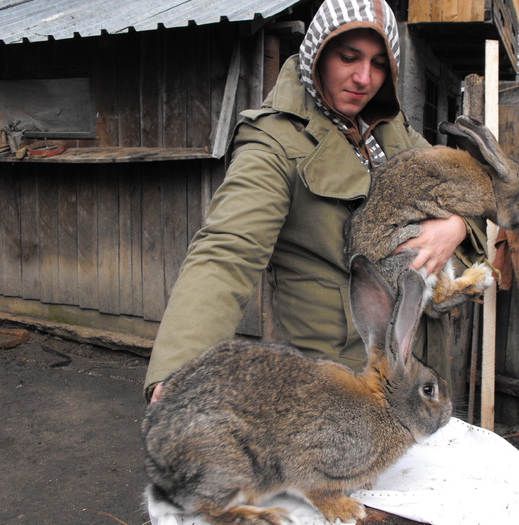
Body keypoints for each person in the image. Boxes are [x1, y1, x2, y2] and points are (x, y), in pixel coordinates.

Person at [144, 0, 486, 402]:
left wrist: (455, 227)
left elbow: (470, 189)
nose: (363, 78)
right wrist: (179, 371)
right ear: (318, 52)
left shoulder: (394, 131)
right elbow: (226, 252)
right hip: (341, 380)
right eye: (348, 57)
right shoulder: (274, 141)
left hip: (418, 365)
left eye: (378, 64)